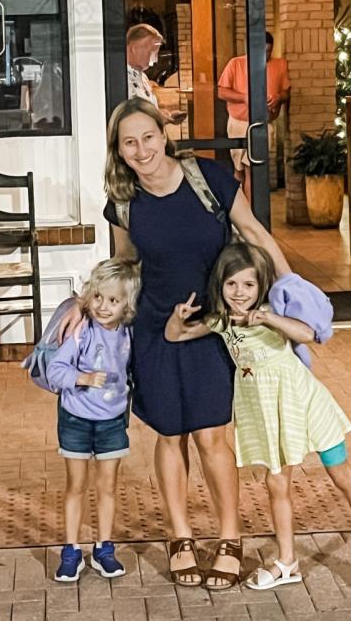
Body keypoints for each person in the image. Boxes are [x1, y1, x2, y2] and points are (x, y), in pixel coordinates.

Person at [60, 97, 292, 590]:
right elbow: (124, 264)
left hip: (211, 325)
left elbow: (253, 233)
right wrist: (81, 310)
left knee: (212, 435)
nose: (141, 149)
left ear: (164, 135)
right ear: (118, 151)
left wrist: (292, 294)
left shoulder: (209, 180)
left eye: (148, 137)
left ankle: (230, 537)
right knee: (170, 434)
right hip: (154, 330)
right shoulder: (123, 202)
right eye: (129, 142)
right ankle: (180, 534)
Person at [164, 242, 351, 594]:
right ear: (220, 284)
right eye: (232, 284)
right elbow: (176, 336)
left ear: (261, 286)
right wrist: (177, 318)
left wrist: (267, 316)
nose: (240, 293)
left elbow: (308, 335)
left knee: (340, 472)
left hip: (304, 404)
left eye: (248, 285)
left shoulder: (270, 312)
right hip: (268, 413)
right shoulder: (222, 320)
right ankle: (287, 562)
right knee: (276, 484)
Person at [46, 258, 142, 583]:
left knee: (108, 488)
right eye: (98, 297)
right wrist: (83, 378)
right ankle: (71, 550)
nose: (103, 306)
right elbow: (55, 371)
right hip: (75, 419)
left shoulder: (128, 333)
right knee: (76, 486)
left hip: (112, 421)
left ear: (126, 304)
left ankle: (104, 549)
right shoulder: (82, 329)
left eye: (113, 301)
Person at [217, 32, 291, 200]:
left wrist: (278, 98)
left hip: (262, 125)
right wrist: (245, 97)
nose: (265, 55)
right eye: (261, 51)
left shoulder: (279, 65)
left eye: (268, 51)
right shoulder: (235, 64)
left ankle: (252, 215)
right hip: (238, 123)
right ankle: (241, 213)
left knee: (253, 171)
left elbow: (286, 92)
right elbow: (221, 92)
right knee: (239, 171)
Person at [126, 24, 186, 126]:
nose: (155, 60)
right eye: (152, 53)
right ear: (134, 48)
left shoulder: (143, 77)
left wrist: (164, 115)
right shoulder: (121, 79)